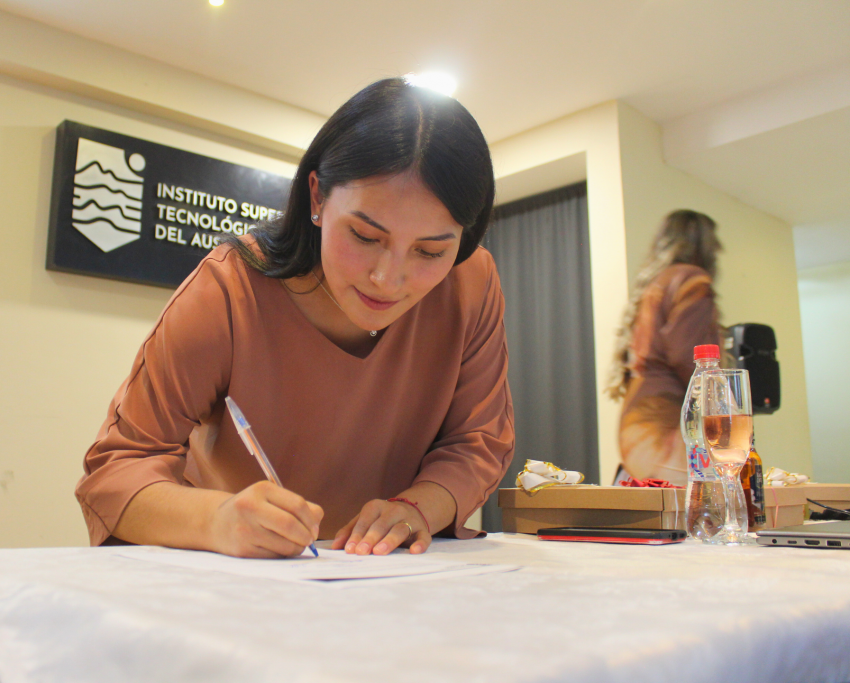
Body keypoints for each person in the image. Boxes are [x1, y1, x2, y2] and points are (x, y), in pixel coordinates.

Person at [75, 78, 515, 559]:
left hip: (389, 576)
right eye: (365, 236)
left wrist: (418, 508)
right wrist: (218, 520)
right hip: (238, 573)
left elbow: (478, 442)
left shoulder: (469, 285)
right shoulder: (228, 291)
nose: (388, 280)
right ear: (317, 197)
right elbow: (115, 473)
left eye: (430, 251)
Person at [606, 209, 723, 484]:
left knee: (664, 506)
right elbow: (689, 357)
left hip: (637, 422)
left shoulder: (654, 284)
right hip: (667, 424)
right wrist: (722, 407)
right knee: (697, 503)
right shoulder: (692, 280)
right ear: (705, 245)